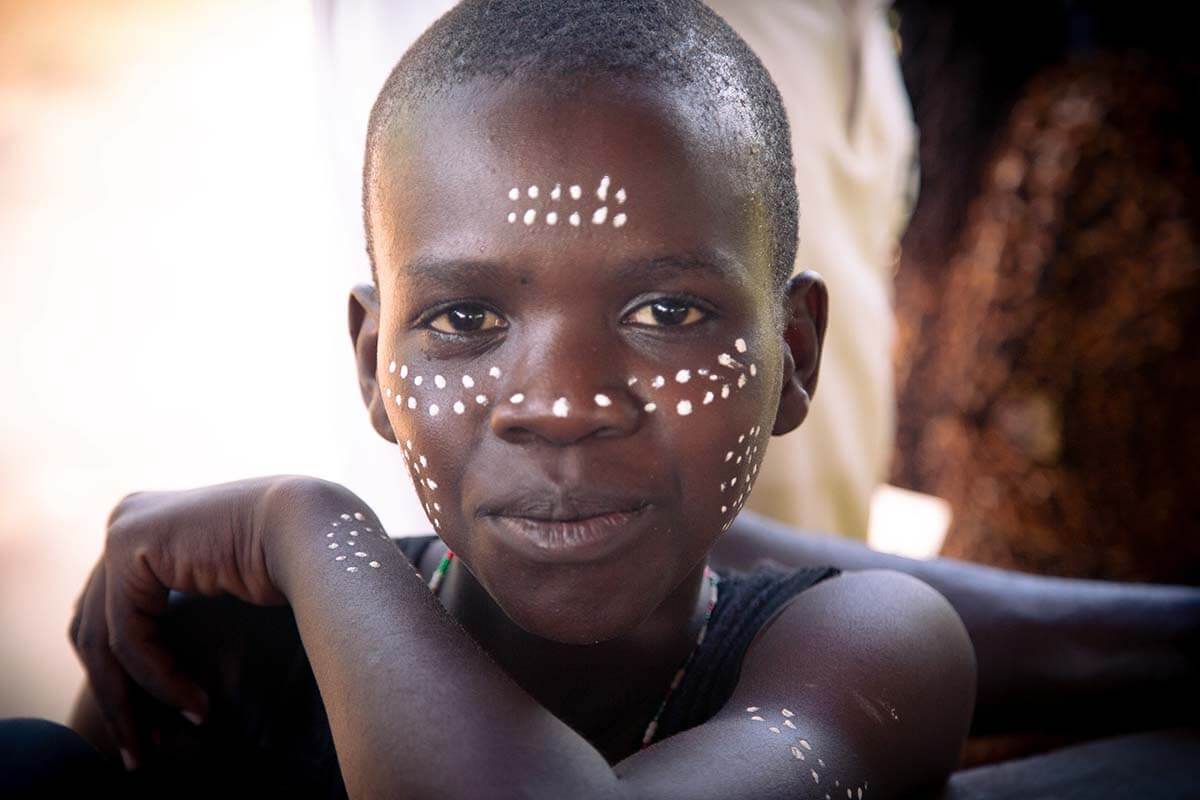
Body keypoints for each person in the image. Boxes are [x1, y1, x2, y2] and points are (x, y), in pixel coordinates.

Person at [1, 2, 1196, 798]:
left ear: (794, 351)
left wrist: (308, 525)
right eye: (465, 320)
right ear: (373, 361)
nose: (563, 404)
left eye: (667, 313)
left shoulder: (862, 647)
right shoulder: (232, 645)